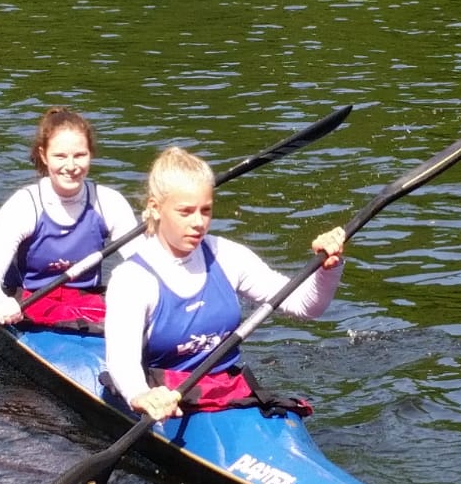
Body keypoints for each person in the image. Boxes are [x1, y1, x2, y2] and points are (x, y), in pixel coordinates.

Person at [103, 146, 346, 422]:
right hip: (164, 399)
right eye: (185, 212)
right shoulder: (132, 279)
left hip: (226, 392)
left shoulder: (225, 255)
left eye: (205, 210)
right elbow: (122, 362)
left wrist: (328, 267)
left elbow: (304, 306)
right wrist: (141, 396)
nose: (198, 223)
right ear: (155, 209)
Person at [0, 107, 139, 331]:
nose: (71, 166)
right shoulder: (23, 206)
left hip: (87, 304)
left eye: (80, 155)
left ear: (91, 154)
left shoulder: (109, 202)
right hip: (28, 304)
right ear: (43, 155)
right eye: (60, 156)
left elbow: (146, 265)